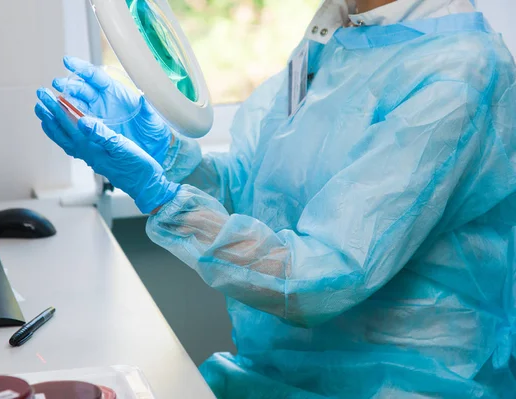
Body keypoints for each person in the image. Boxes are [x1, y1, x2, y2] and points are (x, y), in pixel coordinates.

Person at [35, 0, 516, 397]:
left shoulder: (459, 75)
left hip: (403, 384)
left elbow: (323, 276)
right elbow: (256, 189)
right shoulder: (337, 32)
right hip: (282, 374)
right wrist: (168, 154)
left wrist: (164, 198)